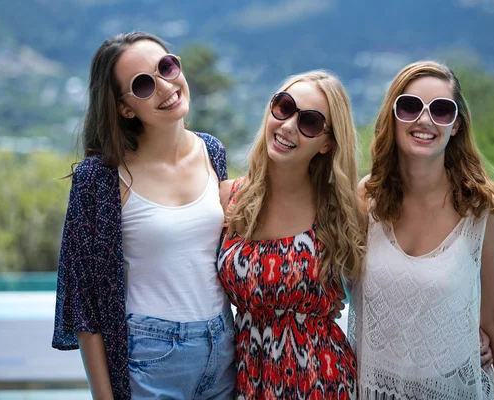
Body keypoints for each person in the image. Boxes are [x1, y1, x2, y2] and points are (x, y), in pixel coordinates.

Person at [52, 32, 235, 400]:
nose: (166, 86)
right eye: (143, 84)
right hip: (152, 357)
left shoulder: (212, 151)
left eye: (166, 67)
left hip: (224, 348)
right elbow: (84, 303)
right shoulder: (99, 179)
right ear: (125, 108)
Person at [350, 60, 494, 399]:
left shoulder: (482, 210)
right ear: (393, 118)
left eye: (441, 110)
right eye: (410, 107)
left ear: (456, 125)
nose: (424, 120)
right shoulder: (366, 199)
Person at [216, 70, 367, 399]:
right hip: (246, 381)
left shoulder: (342, 211)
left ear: (327, 142)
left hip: (322, 383)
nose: (287, 127)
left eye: (309, 122)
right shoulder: (230, 199)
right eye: (284, 107)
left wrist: (477, 330)